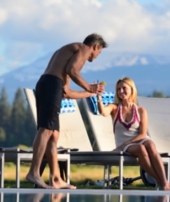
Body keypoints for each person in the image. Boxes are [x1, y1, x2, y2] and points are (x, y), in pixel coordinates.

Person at [26, 33, 108, 189]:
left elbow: (66, 92)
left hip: (49, 85)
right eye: (99, 52)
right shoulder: (83, 48)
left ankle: (55, 178)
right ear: (95, 46)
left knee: (53, 134)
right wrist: (89, 86)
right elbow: (72, 70)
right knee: (46, 129)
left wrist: (90, 93)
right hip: (51, 85)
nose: (97, 56)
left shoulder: (67, 56)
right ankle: (34, 172)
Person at [96, 77, 170, 191]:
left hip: (138, 139)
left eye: (124, 88)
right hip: (125, 143)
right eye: (118, 89)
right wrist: (99, 97)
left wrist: (125, 144)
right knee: (141, 149)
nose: (121, 91)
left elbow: (143, 134)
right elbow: (103, 112)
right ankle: (159, 181)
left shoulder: (141, 110)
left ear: (132, 90)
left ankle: (165, 182)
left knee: (151, 145)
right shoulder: (114, 107)